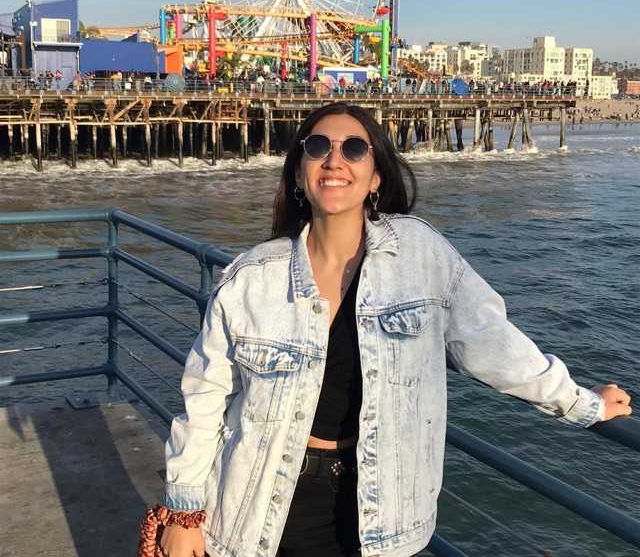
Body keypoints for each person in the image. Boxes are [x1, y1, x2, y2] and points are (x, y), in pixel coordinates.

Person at [159, 103, 632, 557]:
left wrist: (580, 402)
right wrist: (184, 513)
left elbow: (492, 342)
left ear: (376, 177)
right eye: (318, 147)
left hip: (381, 508)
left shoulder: (420, 254)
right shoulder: (252, 278)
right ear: (300, 173)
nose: (334, 161)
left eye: (354, 149)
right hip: (260, 505)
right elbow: (205, 398)